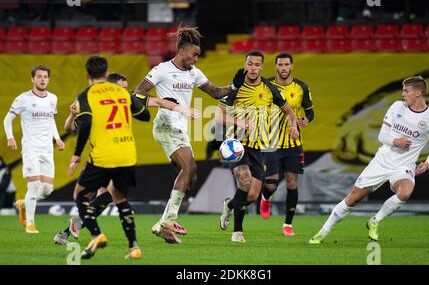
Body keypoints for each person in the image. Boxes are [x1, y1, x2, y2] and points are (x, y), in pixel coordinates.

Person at [54, 72, 199, 245]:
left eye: (125, 88)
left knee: (104, 198)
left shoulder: (125, 99)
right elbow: (71, 129)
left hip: (112, 155)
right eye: (121, 88)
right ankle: (75, 224)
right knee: (106, 195)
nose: (125, 91)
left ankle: (65, 233)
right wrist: (71, 116)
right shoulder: (95, 103)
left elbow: (157, 101)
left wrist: (179, 108)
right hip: (104, 156)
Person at [134, 25, 246, 244]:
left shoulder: (194, 73)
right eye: (194, 54)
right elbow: (138, 93)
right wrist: (169, 105)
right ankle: (171, 219)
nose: (196, 58)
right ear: (182, 50)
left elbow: (215, 92)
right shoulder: (162, 70)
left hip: (181, 129)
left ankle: (163, 224)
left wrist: (234, 85)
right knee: (189, 168)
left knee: (191, 178)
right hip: (166, 126)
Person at [309, 76, 429, 244]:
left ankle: (375, 221)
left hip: (404, 166)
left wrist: (428, 162)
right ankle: (323, 232)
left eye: (406, 91)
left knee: (405, 193)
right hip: (381, 161)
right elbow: (382, 136)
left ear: (418, 93)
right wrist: (396, 141)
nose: (403, 94)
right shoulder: (397, 107)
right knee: (353, 199)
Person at [68, 56, 150, 259]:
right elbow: (145, 115)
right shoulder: (121, 92)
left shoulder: (85, 95)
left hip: (103, 154)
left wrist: (77, 154)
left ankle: (96, 235)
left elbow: (85, 124)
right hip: (127, 153)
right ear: (106, 74)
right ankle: (134, 246)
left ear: (87, 74)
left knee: (80, 195)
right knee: (120, 198)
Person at [218, 50, 300, 243]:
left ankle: (230, 205)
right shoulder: (236, 87)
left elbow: (289, 111)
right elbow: (219, 115)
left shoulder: (270, 89)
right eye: (250, 64)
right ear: (245, 64)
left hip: (259, 147)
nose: (253, 68)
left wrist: (293, 126)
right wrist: (241, 123)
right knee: (245, 181)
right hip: (236, 145)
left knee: (253, 195)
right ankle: (237, 232)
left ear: (262, 67)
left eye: (257, 65)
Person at [3, 65, 65, 233]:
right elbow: (7, 120)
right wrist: (10, 137)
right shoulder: (23, 99)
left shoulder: (53, 98)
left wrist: (57, 138)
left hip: (47, 149)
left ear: (49, 79)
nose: (43, 79)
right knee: (35, 185)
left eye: (45, 76)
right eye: (39, 76)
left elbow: (50, 118)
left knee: (46, 190)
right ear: (33, 79)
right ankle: (30, 224)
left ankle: (24, 203)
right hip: (31, 148)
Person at [259, 53, 315, 237]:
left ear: (292, 66)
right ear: (275, 66)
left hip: (293, 143)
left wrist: (306, 120)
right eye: (280, 65)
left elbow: (310, 112)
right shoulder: (265, 85)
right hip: (271, 143)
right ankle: (265, 197)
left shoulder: (301, 87)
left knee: (292, 183)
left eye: (286, 64)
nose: (283, 68)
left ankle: (288, 225)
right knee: (272, 185)